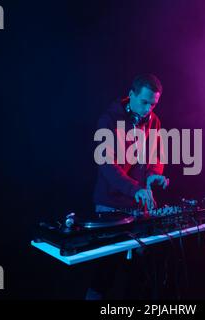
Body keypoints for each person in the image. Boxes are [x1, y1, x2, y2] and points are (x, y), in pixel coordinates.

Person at [86, 74, 169, 299]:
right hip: (111, 204)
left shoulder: (154, 121)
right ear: (131, 95)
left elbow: (156, 157)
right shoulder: (108, 120)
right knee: (106, 270)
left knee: (140, 274)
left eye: (153, 104)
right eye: (144, 102)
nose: (148, 109)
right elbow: (107, 166)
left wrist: (154, 176)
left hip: (139, 204)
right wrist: (136, 188)